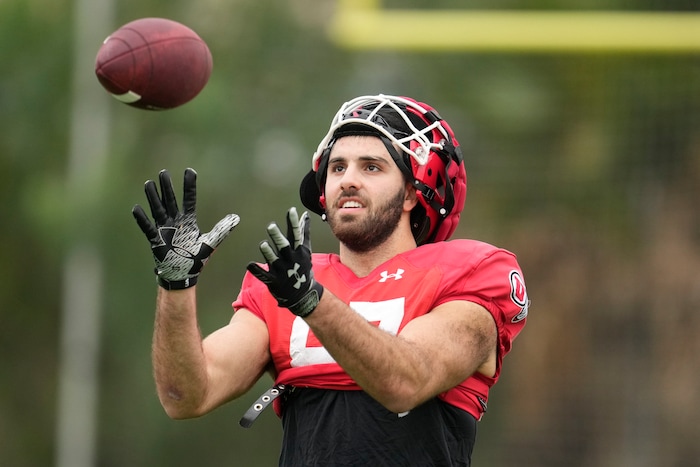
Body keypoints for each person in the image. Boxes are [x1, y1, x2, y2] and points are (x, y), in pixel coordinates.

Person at [132, 94, 529, 466]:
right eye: (337, 167)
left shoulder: (470, 272)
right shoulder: (288, 284)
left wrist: (312, 303)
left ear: (412, 193)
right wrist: (176, 288)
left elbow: (407, 381)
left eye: (371, 167)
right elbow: (184, 396)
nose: (347, 180)